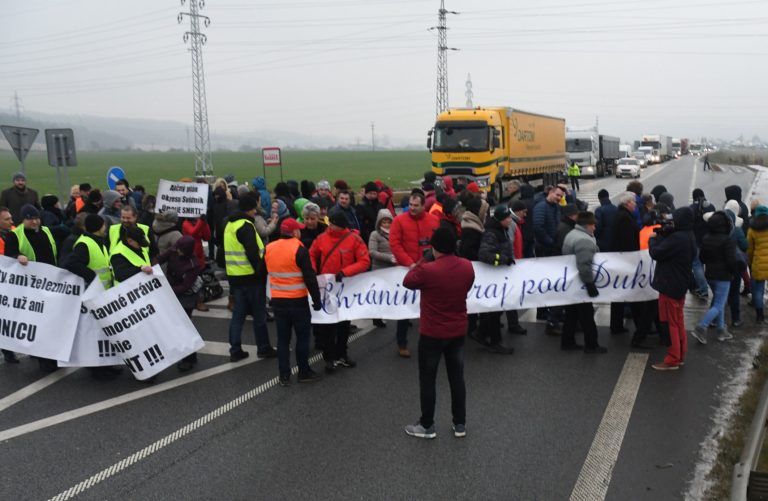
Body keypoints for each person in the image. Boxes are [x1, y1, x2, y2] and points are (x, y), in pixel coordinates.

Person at [402, 227, 475, 439]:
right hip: (457, 329)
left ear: (434, 247)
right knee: (456, 377)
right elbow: (467, 286)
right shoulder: (467, 266)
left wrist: (425, 259)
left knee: (428, 379)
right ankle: (459, 423)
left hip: (432, 332)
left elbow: (408, 280)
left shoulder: (428, 270)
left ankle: (427, 425)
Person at [309, 211, 370, 372]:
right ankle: (329, 358)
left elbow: (364, 261)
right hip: (327, 287)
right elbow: (312, 255)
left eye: (332, 223)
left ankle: (342, 354)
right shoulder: (322, 238)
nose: (329, 225)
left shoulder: (354, 240)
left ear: (340, 225)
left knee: (344, 324)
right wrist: (314, 272)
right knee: (328, 325)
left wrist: (345, 272)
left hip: (346, 287)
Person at [265, 218, 323, 386]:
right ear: (295, 232)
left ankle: (284, 374)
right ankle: (303, 371)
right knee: (302, 338)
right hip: (298, 301)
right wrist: (317, 300)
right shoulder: (299, 248)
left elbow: (263, 272)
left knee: (283, 340)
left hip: (278, 301)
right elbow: (310, 278)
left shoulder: (269, 248)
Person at [5, 204, 58, 372]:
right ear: (23, 220)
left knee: (50, 323)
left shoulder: (46, 230)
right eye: (30, 219)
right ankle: (45, 361)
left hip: (50, 283)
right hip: (30, 287)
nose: (35, 222)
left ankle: (51, 356)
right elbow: (8, 258)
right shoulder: (15, 235)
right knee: (38, 323)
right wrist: (17, 256)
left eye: (37, 218)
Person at [224, 194, 277, 361]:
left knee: (238, 316)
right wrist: (261, 272)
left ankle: (235, 349)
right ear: (250, 209)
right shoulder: (246, 226)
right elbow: (253, 253)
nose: (256, 212)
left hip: (235, 277)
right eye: (255, 208)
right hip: (251, 277)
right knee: (259, 315)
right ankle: (263, 347)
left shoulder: (230, 225)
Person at [389, 191, 440, 357]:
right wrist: (409, 263)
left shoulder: (433, 220)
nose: (412, 208)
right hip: (406, 270)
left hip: (428, 269)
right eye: (410, 205)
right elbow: (395, 244)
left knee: (430, 307)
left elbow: (437, 243)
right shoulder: (399, 220)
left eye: (415, 205)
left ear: (423, 205)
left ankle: (432, 341)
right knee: (404, 309)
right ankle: (401, 343)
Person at [648, 207, 696, 370]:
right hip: (679, 284)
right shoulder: (689, 235)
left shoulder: (677, 238)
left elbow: (656, 253)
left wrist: (653, 239)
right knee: (678, 322)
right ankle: (680, 355)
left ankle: (673, 359)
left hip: (670, 285)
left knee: (670, 324)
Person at [609, 191, 652, 348]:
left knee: (621, 294)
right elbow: (628, 241)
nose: (635, 205)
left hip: (621, 259)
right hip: (625, 261)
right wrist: (633, 260)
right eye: (634, 202)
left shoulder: (622, 215)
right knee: (628, 294)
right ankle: (629, 325)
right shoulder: (625, 218)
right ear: (627, 203)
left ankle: (617, 325)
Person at [691, 210, 742, 344]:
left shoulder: (706, 238)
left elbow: (702, 258)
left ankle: (721, 330)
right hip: (723, 277)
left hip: (710, 275)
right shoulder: (728, 240)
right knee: (719, 304)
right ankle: (701, 327)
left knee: (720, 301)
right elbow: (731, 260)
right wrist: (735, 271)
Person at [153, 236, 203, 372]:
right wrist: (150, 268)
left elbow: (185, 286)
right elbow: (159, 258)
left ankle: (188, 358)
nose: (177, 252)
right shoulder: (174, 250)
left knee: (184, 326)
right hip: (172, 289)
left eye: (181, 250)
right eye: (177, 249)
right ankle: (190, 356)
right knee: (177, 325)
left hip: (186, 296)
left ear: (187, 251)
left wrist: (167, 291)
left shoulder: (193, 264)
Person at [560, 211, 606, 353]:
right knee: (586, 314)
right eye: (593, 225)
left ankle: (567, 342)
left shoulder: (572, 234)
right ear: (587, 226)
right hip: (581, 282)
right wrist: (590, 284)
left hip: (572, 281)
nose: (595, 228)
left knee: (572, 313)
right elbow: (584, 264)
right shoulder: (584, 240)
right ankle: (591, 345)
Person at [475, 205, 516, 354]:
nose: (510, 220)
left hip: (499, 276)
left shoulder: (501, 230)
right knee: (495, 311)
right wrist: (503, 260)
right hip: (494, 277)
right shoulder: (492, 234)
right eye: (508, 218)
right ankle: (495, 342)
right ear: (500, 219)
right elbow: (485, 255)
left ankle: (481, 333)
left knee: (496, 311)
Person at [368, 208, 396, 328]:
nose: (386, 224)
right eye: (384, 222)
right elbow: (372, 252)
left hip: (393, 268)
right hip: (379, 268)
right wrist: (389, 257)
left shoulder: (395, 233)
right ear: (379, 223)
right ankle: (377, 318)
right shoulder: (374, 234)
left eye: (388, 221)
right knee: (379, 294)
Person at [0, 206, 19, 363]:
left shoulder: (14, 232)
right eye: (7, 219)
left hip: (14, 283)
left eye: (10, 218)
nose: (11, 221)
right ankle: (7, 351)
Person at [689, 188, 715, 299]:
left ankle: (703, 289)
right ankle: (710, 288)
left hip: (696, 241)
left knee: (697, 265)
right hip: (709, 241)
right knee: (708, 265)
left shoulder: (692, 208)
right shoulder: (711, 206)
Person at [182, 216, 212, 312]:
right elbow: (192, 233)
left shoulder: (198, 222)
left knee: (198, 278)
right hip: (190, 255)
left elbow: (207, 236)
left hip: (199, 255)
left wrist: (205, 223)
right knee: (194, 279)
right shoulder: (185, 223)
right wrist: (201, 222)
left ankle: (198, 300)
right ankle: (198, 302)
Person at [747, 205, 768, 323]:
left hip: (758, 261)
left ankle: (760, 316)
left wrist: (749, 261)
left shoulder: (752, 229)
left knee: (759, 290)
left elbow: (749, 249)